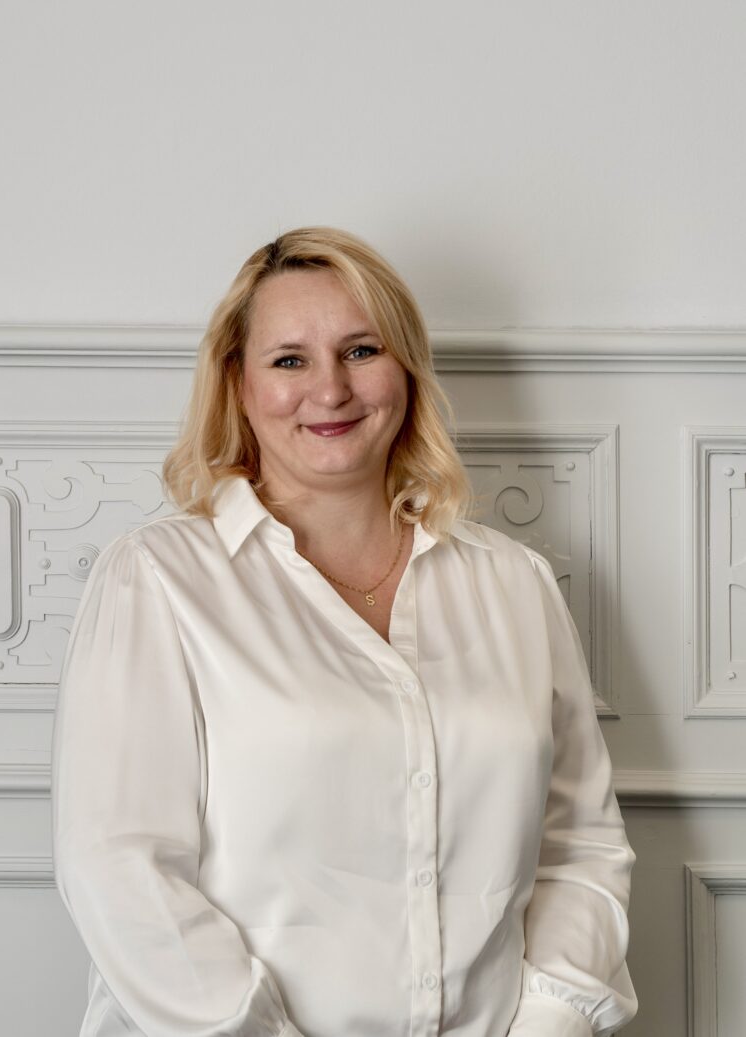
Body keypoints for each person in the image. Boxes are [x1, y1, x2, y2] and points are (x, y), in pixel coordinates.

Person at [51, 226, 639, 1037]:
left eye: (361, 350)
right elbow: (120, 868)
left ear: (406, 368)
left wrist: (549, 1023)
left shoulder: (515, 584)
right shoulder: (156, 580)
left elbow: (580, 846)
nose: (330, 389)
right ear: (239, 382)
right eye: (289, 359)